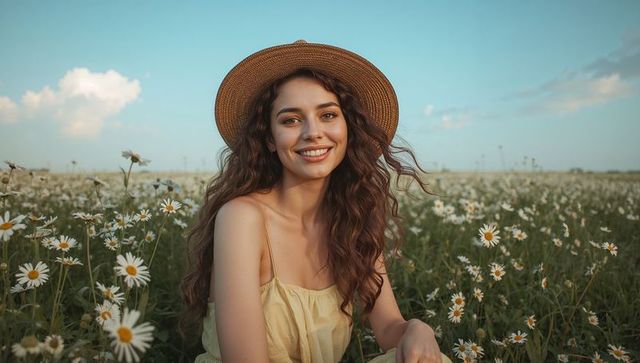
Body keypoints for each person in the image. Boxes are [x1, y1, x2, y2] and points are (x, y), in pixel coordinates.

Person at [180, 40, 452, 363]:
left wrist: (417, 329)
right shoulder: (241, 217)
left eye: (327, 115)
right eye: (291, 120)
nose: (313, 132)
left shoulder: (352, 219)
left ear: (348, 128)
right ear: (268, 138)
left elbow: (389, 329)